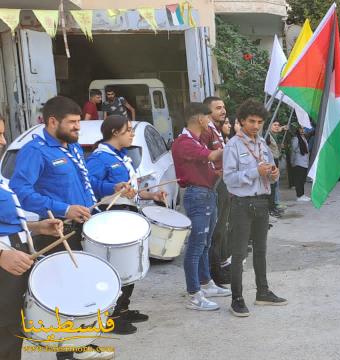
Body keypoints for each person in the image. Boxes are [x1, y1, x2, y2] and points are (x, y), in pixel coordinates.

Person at [10, 96, 115, 359]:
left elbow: (84, 183)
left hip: (83, 226)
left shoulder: (73, 148)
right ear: (53, 121)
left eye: (79, 122)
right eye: (72, 123)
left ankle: (79, 342)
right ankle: (66, 351)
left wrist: (109, 192)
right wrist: (64, 208)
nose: (78, 128)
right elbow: (20, 191)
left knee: (82, 287)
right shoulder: (35, 151)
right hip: (55, 230)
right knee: (64, 293)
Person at [86, 115, 166, 335]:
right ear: (114, 133)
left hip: (127, 215)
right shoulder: (100, 157)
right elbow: (90, 184)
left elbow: (131, 190)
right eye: (128, 130)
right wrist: (113, 187)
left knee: (130, 265)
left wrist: (152, 194)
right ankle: (110, 317)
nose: (131, 133)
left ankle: (123, 308)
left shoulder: (121, 156)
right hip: (110, 216)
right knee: (117, 268)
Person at [0, 116, 65, 360]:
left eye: (3, 133)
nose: (4, 141)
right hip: (4, 264)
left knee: (11, 335)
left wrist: (36, 227)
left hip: (12, 267)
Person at [223, 99, 287, 317]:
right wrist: (254, 173)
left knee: (261, 250)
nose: (256, 126)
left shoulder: (262, 144)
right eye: (251, 121)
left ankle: (263, 291)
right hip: (241, 204)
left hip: (261, 202)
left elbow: (269, 168)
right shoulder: (233, 145)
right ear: (241, 121)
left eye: (259, 122)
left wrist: (273, 174)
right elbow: (229, 179)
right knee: (239, 253)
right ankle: (237, 298)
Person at [172, 102, 230, 312]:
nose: (210, 122)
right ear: (200, 119)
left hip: (207, 193)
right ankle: (194, 293)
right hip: (197, 196)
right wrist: (235, 145)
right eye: (208, 117)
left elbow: (205, 165)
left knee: (205, 243)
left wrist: (216, 174)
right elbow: (213, 156)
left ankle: (206, 283)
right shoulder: (184, 142)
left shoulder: (195, 140)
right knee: (196, 246)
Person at [202, 96, 233, 287]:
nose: (223, 111)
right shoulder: (206, 132)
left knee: (221, 228)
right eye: (218, 108)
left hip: (224, 182)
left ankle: (219, 266)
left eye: (224, 107)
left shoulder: (216, 130)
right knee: (215, 231)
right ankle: (214, 273)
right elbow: (204, 160)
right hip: (214, 184)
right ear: (208, 111)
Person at [266, 121, 288, 218]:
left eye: (278, 125)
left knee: (274, 185)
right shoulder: (267, 135)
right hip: (270, 162)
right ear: (269, 126)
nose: (277, 127)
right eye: (274, 125)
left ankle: (273, 206)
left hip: (275, 161)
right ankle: (270, 208)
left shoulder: (274, 136)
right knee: (272, 185)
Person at [291, 127, 311, 202]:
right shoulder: (296, 139)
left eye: (303, 129)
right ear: (297, 130)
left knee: (302, 180)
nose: (302, 130)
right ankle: (299, 196)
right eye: (300, 129)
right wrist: (292, 161)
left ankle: (302, 194)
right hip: (298, 162)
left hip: (304, 162)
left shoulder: (304, 138)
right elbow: (293, 150)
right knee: (299, 180)